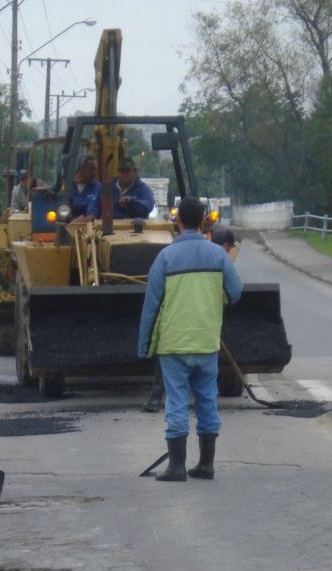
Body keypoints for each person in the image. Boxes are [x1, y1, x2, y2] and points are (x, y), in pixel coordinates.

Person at [137, 196, 243, 482]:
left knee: (177, 402)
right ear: (205, 221)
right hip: (207, 341)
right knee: (207, 401)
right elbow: (235, 292)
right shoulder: (218, 255)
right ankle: (206, 465)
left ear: (178, 221)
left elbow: (151, 305)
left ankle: (176, 467)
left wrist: (144, 345)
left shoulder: (166, 257)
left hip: (174, 344)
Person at [87, 156, 155, 220]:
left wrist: (131, 202)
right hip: (111, 228)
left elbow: (148, 205)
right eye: (122, 171)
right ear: (117, 172)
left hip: (134, 228)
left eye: (128, 171)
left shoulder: (143, 189)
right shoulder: (106, 187)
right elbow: (94, 204)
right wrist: (92, 214)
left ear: (135, 172)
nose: (124, 174)